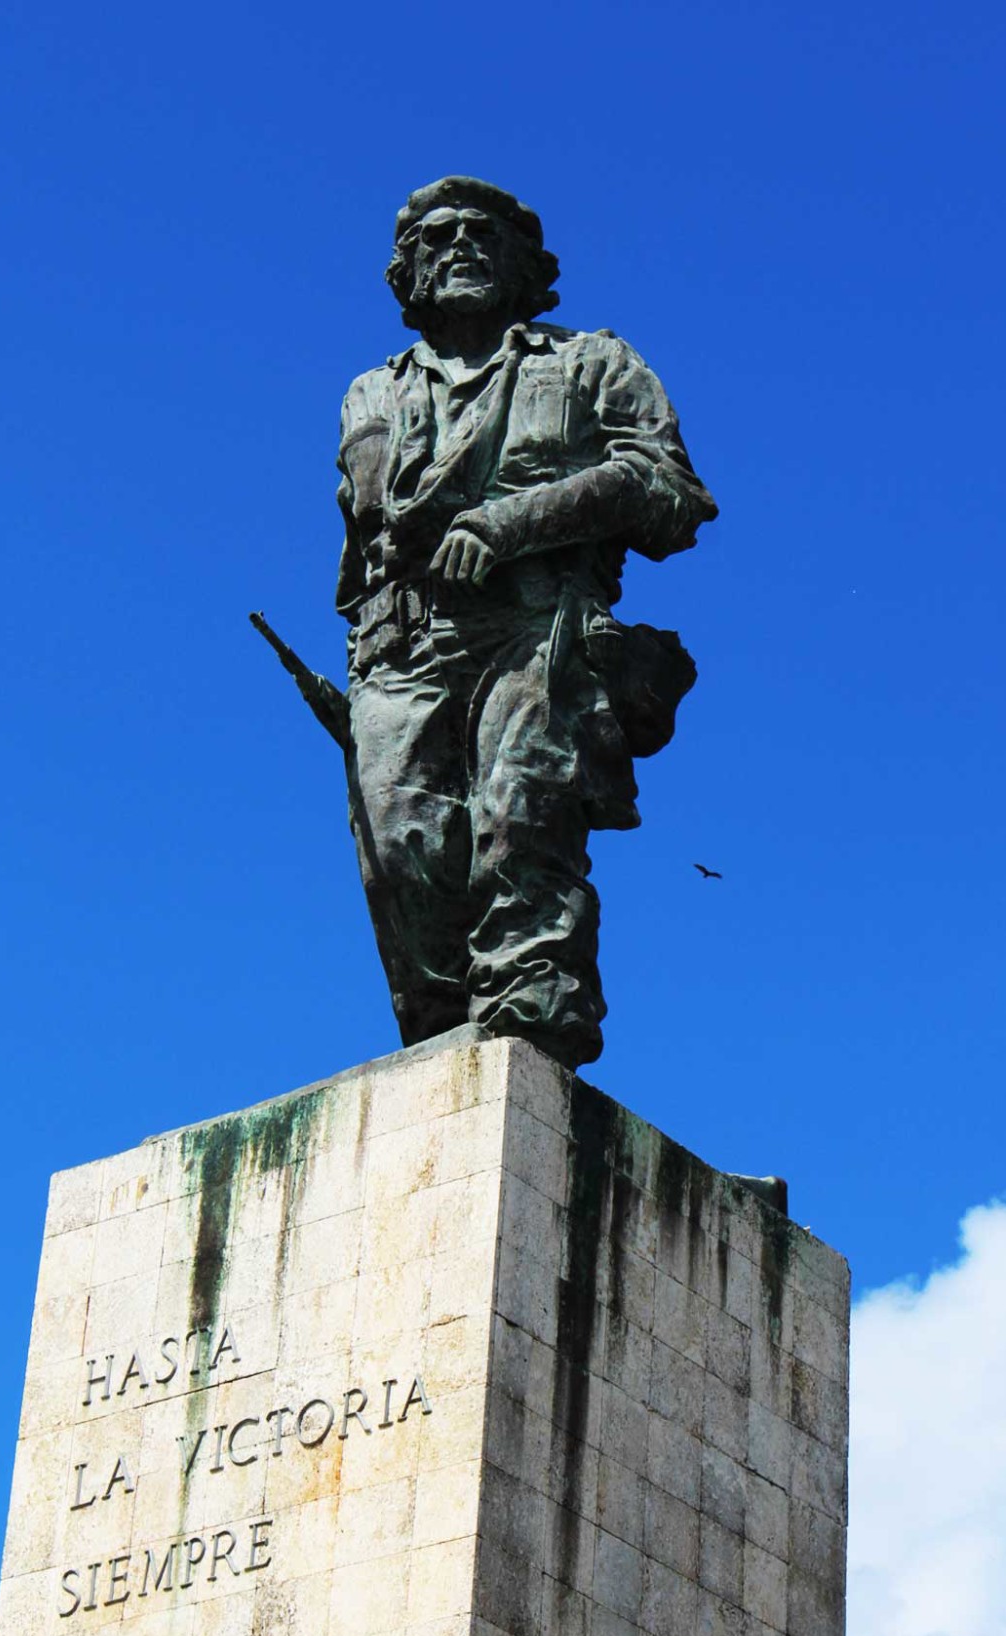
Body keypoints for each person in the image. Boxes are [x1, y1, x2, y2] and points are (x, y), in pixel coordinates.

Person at [335, 176, 717, 1070]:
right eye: (439, 237)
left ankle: (528, 1055)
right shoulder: (368, 397)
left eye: (484, 234)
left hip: (538, 634)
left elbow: (672, 496)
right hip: (401, 657)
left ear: (527, 268)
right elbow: (362, 553)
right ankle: (442, 1064)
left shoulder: (588, 365)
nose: (461, 245)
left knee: (520, 830)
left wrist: (513, 524)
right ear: (409, 276)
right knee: (405, 862)